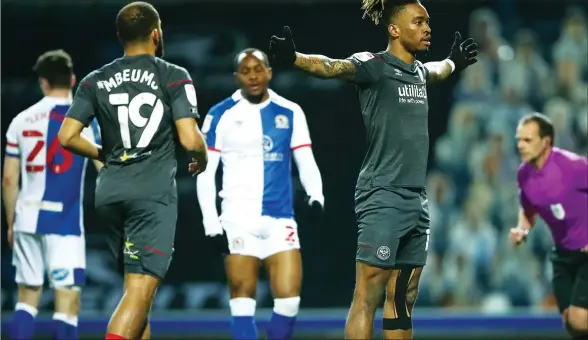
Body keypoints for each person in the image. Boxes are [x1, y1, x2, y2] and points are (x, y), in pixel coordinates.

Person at [269, 0, 478, 338]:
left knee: (404, 295)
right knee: (369, 292)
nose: (428, 28)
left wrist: (454, 61)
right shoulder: (374, 66)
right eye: (419, 22)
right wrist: (295, 59)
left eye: (428, 22)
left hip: (417, 200)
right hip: (382, 194)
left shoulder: (420, 73)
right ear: (394, 29)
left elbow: (438, 70)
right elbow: (332, 66)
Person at [57, 2, 208, 339]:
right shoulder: (172, 75)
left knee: (136, 293)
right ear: (156, 33)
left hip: (110, 195)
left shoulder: (95, 80)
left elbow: (67, 137)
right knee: (140, 293)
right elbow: (189, 137)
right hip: (150, 196)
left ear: (119, 36)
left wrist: (106, 154)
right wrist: (203, 156)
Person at [196, 48, 324, 340]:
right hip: (237, 219)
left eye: (258, 69)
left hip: (280, 218)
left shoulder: (290, 111)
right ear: (236, 76)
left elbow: (305, 160)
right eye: (245, 70)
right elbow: (205, 172)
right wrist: (211, 224)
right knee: (243, 298)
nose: (253, 76)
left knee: (290, 300)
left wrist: (316, 196)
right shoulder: (220, 114)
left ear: (269, 72)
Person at [2, 49, 102, 340]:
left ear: (43, 82)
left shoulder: (21, 121)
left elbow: (9, 178)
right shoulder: (85, 121)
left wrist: (10, 222)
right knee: (67, 299)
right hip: (64, 221)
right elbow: (104, 169)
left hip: (26, 217)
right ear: (72, 79)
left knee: (27, 296)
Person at [510, 113, 588, 340]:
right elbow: (528, 209)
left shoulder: (573, 167)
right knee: (570, 323)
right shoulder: (524, 175)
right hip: (562, 255)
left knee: (579, 318)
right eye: (519, 140)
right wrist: (522, 229)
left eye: (527, 140)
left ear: (546, 142)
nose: (520, 146)